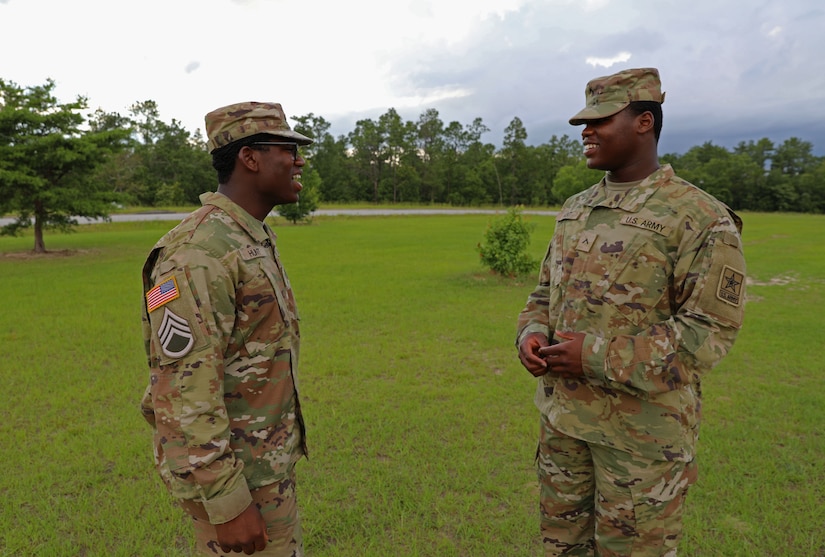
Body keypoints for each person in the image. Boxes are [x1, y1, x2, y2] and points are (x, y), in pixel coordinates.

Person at [516, 68, 746, 556]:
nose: (586, 131)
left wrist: (595, 355)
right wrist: (531, 333)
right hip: (563, 427)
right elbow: (543, 292)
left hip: (642, 443)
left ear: (645, 122)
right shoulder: (575, 209)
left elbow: (710, 333)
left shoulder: (700, 218)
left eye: (601, 120)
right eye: (584, 121)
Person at [139, 101, 313, 556]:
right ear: (249, 158)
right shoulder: (197, 254)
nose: (299, 160)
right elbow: (182, 389)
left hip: (262, 469)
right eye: (287, 150)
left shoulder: (246, 236)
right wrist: (226, 501)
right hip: (235, 481)